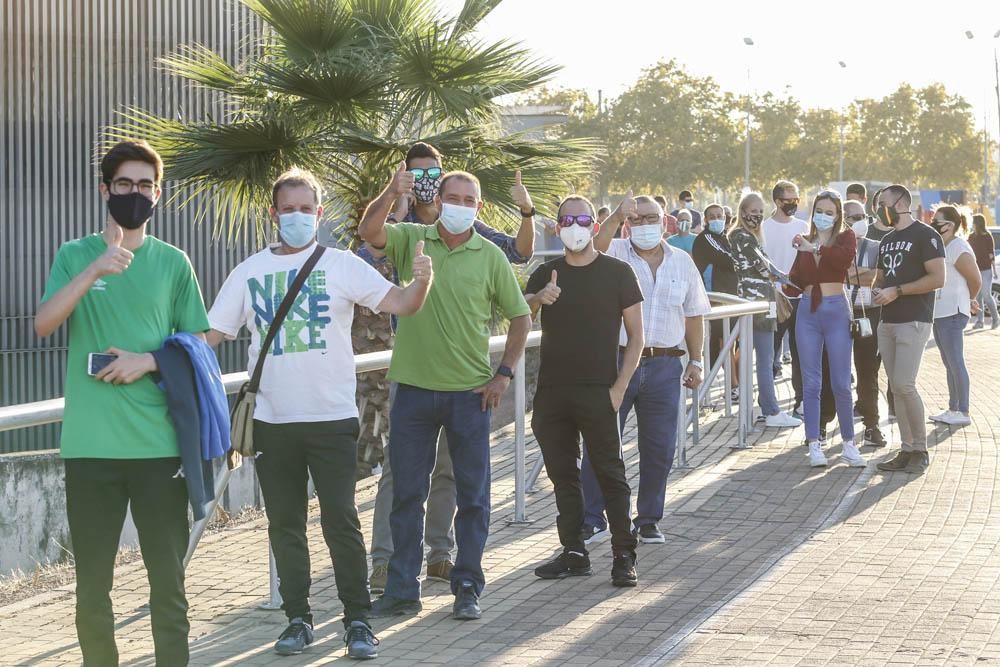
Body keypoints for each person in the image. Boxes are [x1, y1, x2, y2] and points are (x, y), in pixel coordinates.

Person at [207, 169, 434, 658]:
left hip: (331, 419)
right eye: (287, 209)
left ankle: (356, 620)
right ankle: (297, 619)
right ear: (273, 215)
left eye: (305, 209)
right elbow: (211, 335)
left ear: (319, 213)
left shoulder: (341, 265)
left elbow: (400, 303)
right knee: (285, 525)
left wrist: (422, 282)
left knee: (341, 521)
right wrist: (155, 356)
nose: (296, 217)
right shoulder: (248, 272)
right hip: (271, 420)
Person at [34, 140, 211, 666]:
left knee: (168, 586)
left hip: (159, 449)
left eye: (144, 186)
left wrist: (149, 361)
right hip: (90, 448)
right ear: (104, 190)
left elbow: (198, 344)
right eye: (124, 185)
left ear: (158, 194)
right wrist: (95, 271)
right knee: (92, 589)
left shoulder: (173, 263)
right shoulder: (74, 254)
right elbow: (44, 324)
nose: (134, 194)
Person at [357, 142, 534, 595]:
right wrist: (390, 192)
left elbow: (520, 314)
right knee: (405, 493)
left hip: (471, 393)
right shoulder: (411, 237)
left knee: (471, 495)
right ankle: (399, 587)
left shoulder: (489, 254)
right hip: (413, 389)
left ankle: (466, 584)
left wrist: (504, 375)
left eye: (467, 201)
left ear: (478, 206)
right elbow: (369, 231)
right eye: (451, 198)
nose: (458, 206)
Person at [526, 194, 643, 586]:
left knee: (611, 473)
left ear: (595, 224)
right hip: (552, 392)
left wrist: (619, 388)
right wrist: (537, 300)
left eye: (581, 219)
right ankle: (574, 550)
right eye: (566, 219)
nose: (573, 226)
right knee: (563, 475)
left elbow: (637, 338)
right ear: (556, 227)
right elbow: (520, 317)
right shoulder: (547, 272)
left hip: (599, 391)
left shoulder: (618, 272)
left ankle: (624, 554)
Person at [580, 195, 711, 545]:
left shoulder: (682, 262)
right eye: (635, 219)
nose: (643, 225)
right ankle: (592, 518)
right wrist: (614, 219)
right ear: (627, 223)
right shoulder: (617, 253)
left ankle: (649, 519)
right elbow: (592, 250)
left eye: (650, 218)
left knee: (660, 447)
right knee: (601, 442)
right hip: (617, 362)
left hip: (666, 364)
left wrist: (696, 360)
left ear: (664, 220)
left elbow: (694, 313)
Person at [788, 190, 865, 468]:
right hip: (808, 310)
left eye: (829, 212)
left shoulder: (846, 238)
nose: (823, 216)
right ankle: (814, 443)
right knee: (811, 383)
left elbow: (842, 261)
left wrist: (816, 249)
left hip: (835, 309)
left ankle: (848, 443)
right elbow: (797, 277)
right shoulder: (805, 240)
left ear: (837, 215)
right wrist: (779, 280)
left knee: (842, 382)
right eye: (819, 210)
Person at [872, 185, 946, 474]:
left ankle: (920, 449)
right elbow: (880, 277)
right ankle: (906, 448)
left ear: (902, 203)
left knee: (904, 384)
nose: (879, 209)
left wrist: (898, 291)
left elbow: (938, 278)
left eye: (883, 203)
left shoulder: (927, 235)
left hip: (914, 319)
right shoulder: (887, 240)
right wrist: (878, 288)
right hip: (887, 320)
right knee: (895, 387)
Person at [728, 192, 801, 428]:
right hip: (758, 302)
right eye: (754, 211)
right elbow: (763, 268)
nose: (757, 216)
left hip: (760, 300)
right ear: (742, 211)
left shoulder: (748, 236)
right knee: (765, 357)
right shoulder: (742, 236)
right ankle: (770, 410)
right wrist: (787, 278)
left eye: (761, 212)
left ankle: (765, 408)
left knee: (763, 357)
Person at [928, 206, 980, 426]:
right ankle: (953, 408)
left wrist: (970, 299)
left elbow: (975, 278)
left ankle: (963, 411)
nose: (932, 223)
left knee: (956, 362)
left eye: (936, 221)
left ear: (948, 225)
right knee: (949, 362)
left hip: (953, 312)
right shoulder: (942, 245)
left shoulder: (958, 246)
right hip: (940, 312)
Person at [762, 180, 809, 411]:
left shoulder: (803, 226)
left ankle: (800, 401)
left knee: (801, 352)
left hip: (800, 299)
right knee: (769, 351)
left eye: (796, 200)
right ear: (777, 201)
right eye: (789, 200)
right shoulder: (764, 228)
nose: (793, 204)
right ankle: (767, 405)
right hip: (774, 299)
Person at [845, 199, 888, 448]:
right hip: (839, 312)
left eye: (863, 216)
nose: (860, 221)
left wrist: (851, 272)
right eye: (853, 216)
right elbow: (833, 273)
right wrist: (861, 272)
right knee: (834, 371)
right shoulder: (833, 245)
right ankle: (819, 426)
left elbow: (878, 277)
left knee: (867, 370)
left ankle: (872, 425)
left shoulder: (876, 246)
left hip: (869, 313)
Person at [693, 204, 738, 389]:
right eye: (712, 216)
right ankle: (733, 385)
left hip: (732, 296)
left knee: (732, 341)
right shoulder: (707, 239)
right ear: (705, 220)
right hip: (717, 299)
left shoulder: (725, 238)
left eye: (720, 215)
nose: (717, 219)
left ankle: (733, 380)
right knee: (724, 341)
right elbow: (730, 260)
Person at [968, 213, 998, 329]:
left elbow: (991, 254)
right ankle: (980, 322)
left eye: (973, 222)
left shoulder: (987, 236)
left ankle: (996, 319)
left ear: (978, 223)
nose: (972, 224)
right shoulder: (971, 237)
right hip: (975, 270)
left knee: (986, 295)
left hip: (986, 270)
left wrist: (994, 270)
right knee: (977, 296)